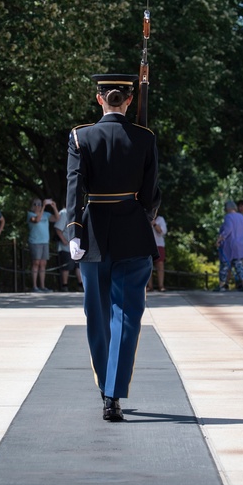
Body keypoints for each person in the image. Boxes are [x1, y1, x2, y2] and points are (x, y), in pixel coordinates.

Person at [66, 73, 161, 423]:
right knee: (126, 317)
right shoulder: (145, 138)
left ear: (100, 99)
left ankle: (105, 384)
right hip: (132, 234)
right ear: (130, 100)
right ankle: (113, 393)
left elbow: (75, 187)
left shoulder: (81, 136)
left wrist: (74, 229)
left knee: (98, 316)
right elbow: (150, 194)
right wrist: (143, 214)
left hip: (92, 237)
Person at [216, 200, 243, 291]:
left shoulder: (228, 217)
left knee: (225, 265)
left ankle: (221, 285)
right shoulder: (242, 217)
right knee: (239, 265)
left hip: (230, 245)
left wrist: (220, 238)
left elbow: (228, 228)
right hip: (241, 244)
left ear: (227, 208)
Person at [27, 198, 59, 292]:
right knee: (36, 263)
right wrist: (44, 207)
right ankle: (34, 286)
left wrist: (54, 207)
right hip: (35, 242)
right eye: (35, 204)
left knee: (43, 264)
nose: (37, 206)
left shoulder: (46, 214)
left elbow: (57, 218)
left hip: (45, 241)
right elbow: (37, 220)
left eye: (40, 204)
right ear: (32, 205)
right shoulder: (30, 215)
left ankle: (42, 286)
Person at [53, 203, 83, 292]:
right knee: (66, 267)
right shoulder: (64, 213)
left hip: (77, 245)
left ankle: (80, 285)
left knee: (78, 266)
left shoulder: (78, 212)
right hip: (66, 246)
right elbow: (58, 229)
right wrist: (64, 241)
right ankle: (64, 286)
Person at [148, 214, 167, 292]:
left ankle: (161, 286)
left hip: (159, 245)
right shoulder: (145, 217)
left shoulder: (160, 219)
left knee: (160, 265)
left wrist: (154, 223)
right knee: (148, 265)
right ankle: (149, 286)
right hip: (148, 244)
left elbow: (162, 232)